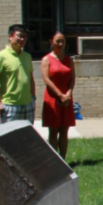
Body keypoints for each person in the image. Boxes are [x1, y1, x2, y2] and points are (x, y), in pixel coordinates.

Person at [40, 31, 75, 159]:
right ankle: (55, 161)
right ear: (51, 42)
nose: (60, 44)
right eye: (57, 41)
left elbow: (72, 80)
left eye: (63, 41)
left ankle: (63, 160)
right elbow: (46, 80)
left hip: (67, 98)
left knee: (64, 130)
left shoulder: (68, 60)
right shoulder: (46, 59)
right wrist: (60, 95)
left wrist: (68, 94)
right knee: (53, 131)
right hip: (52, 98)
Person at [0, 25, 36, 124]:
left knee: (27, 136)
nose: (22, 39)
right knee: (9, 137)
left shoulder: (27, 56)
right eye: (19, 36)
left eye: (25, 36)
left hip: (28, 104)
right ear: (9, 36)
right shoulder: (1, 56)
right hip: (10, 105)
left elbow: (30, 78)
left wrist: (33, 98)